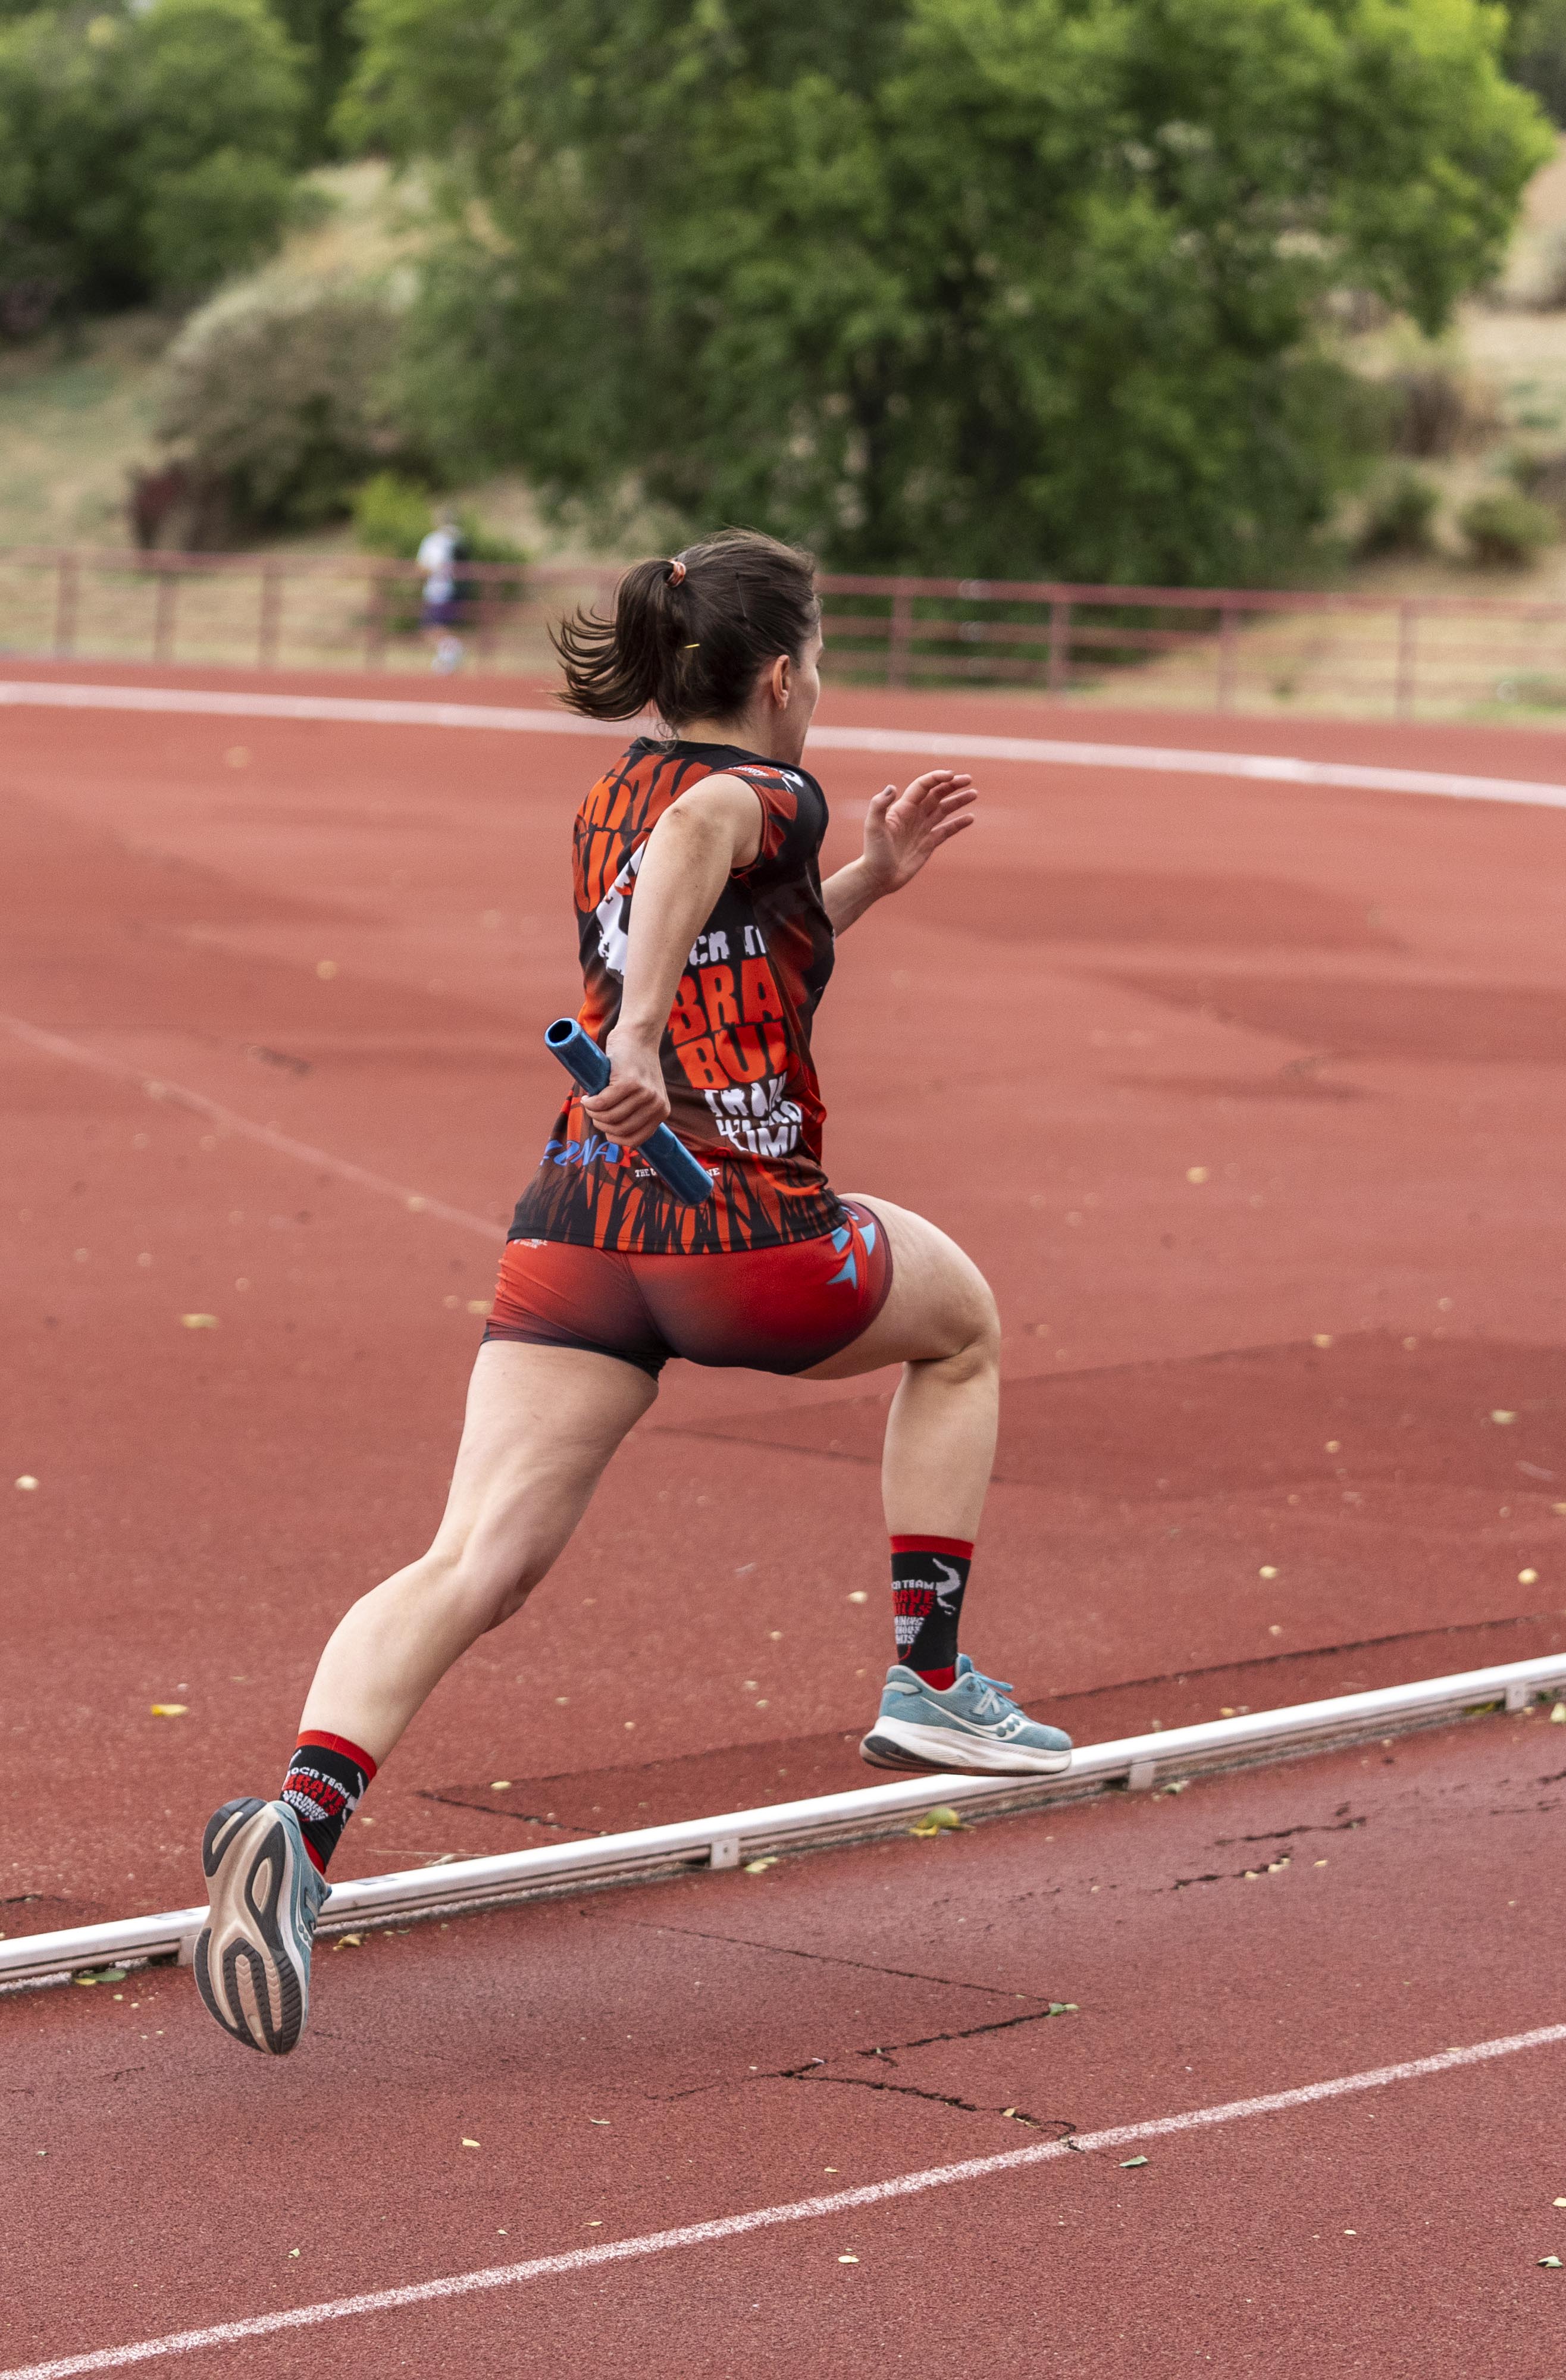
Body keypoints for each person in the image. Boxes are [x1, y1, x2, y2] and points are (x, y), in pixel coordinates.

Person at [195, 527, 1067, 2058]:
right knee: (968, 1326)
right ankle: (929, 1673)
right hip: (742, 1241)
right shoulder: (762, 788)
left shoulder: (614, 792)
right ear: (782, 674)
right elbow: (706, 849)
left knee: (471, 1557)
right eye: (826, 660)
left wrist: (867, 878)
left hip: (577, 1236)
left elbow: (724, 908)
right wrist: (649, 1037)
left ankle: (299, 1827)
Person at [415, 503, 467, 674]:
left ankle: (451, 650)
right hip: (457, 589)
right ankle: (447, 656)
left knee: (431, 627)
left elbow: (423, 567)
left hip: (438, 589)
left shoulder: (434, 540)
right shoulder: (458, 538)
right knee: (437, 626)